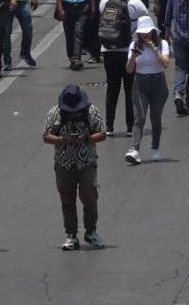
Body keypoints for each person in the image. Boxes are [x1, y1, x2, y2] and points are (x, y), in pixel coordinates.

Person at [42, 84, 106, 251]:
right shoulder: (55, 112)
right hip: (64, 163)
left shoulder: (91, 111)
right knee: (67, 200)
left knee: (89, 197)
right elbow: (47, 136)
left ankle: (91, 231)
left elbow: (102, 133)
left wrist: (86, 139)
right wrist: (64, 140)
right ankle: (71, 235)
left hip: (87, 162)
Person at [98, 0, 149, 137]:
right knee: (130, 90)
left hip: (108, 51)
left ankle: (109, 127)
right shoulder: (135, 3)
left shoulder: (105, 1)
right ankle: (129, 127)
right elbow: (145, 15)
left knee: (112, 89)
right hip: (128, 52)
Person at [123, 16, 170, 164]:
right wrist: (133, 58)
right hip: (140, 83)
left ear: (152, 32)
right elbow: (129, 70)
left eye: (148, 32)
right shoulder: (134, 45)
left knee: (155, 119)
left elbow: (165, 64)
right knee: (140, 118)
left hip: (158, 84)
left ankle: (155, 147)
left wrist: (154, 49)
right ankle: (134, 149)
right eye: (142, 33)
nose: (145, 36)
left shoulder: (162, 44)